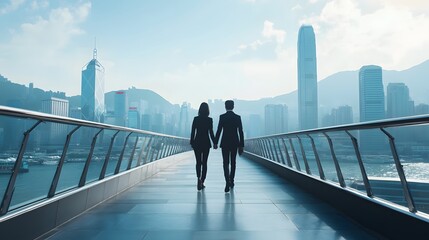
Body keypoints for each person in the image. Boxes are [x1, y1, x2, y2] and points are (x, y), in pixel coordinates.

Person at [214, 100, 244, 193]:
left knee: (225, 163)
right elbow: (241, 132)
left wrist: (215, 142)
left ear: (225, 106)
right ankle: (232, 180)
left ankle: (227, 182)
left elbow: (219, 130)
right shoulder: (237, 117)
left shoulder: (222, 117)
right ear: (233, 106)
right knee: (233, 162)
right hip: (235, 142)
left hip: (225, 142)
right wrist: (241, 145)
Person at [190, 102, 216, 190]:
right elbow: (211, 132)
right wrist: (215, 142)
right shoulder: (209, 120)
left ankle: (198, 179)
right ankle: (202, 180)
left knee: (198, 162)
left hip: (197, 142)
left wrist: (192, 142)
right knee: (204, 163)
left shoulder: (196, 119)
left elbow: (193, 131)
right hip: (206, 143)